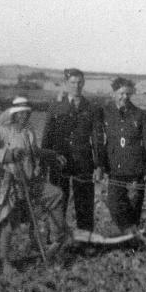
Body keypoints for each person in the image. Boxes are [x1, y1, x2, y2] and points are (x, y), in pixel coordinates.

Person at [0, 96, 69, 269]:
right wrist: (8, 155)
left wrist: (53, 155)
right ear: (14, 115)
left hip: (30, 181)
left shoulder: (28, 131)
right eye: (22, 114)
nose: (25, 117)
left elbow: (35, 152)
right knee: (8, 219)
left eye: (27, 113)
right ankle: (5, 260)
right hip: (10, 183)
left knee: (56, 194)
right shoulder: (2, 131)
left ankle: (55, 241)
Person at [41, 68, 102, 233]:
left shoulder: (91, 108)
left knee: (85, 203)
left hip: (83, 162)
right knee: (58, 202)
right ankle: (57, 239)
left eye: (80, 82)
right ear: (66, 84)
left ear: (84, 83)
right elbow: (47, 136)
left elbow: (97, 139)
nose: (76, 86)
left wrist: (98, 165)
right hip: (60, 162)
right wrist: (44, 162)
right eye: (73, 83)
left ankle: (86, 240)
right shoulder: (55, 107)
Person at [97, 77, 146, 233]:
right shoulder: (105, 113)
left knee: (134, 205)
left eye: (128, 94)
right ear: (114, 93)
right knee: (114, 203)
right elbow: (98, 140)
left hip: (136, 168)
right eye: (121, 93)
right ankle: (128, 231)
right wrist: (100, 165)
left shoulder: (140, 114)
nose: (124, 97)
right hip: (115, 167)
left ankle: (132, 239)